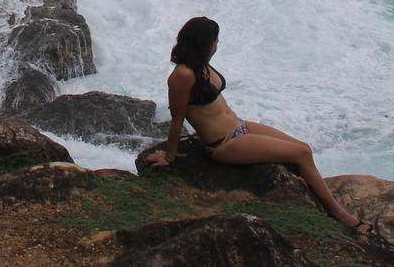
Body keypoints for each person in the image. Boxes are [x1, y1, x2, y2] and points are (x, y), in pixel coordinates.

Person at [145, 16, 373, 236]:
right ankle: (340, 215)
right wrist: (169, 156)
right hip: (224, 144)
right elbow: (177, 119)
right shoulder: (182, 75)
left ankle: (323, 200)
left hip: (241, 127)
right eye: (215, 40)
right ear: (204, 43)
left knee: (304, 148)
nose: (217, 45)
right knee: (301, 154)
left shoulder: (202, 65)